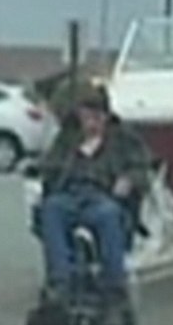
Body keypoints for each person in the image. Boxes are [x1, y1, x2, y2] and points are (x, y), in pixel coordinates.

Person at [32, 83, 152, 305]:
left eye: (96, 118)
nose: (91, 123)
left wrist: (129, 180)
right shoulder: (68, 138)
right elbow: (49, 166)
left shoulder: (122, 139)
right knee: (52, 209)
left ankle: (113, 284)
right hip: (70, 193)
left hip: (104, 195)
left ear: (105, 116)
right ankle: (61, 281)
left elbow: (141, 167)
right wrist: (50, 172)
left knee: (108, 215)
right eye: (85, 117)